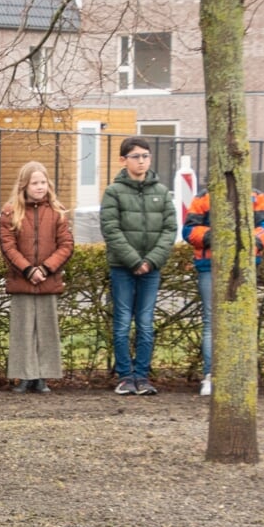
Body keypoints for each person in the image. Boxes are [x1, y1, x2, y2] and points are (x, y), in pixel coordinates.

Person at [183, 184, 264, 397]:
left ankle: (241, 376)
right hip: (210, 265)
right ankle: (211, 375)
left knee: (243, 320)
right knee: (211, 321)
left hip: (245, 265)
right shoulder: (204, 197)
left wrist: (248, 241)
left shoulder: (256, 196)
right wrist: (221, 238)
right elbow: (189, 230)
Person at [100, 137, 177, 396]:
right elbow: (111, 229)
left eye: (145, 155)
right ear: (123, 160)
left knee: (145, 322)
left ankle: (142, 376)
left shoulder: (162, 192)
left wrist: (150, 261)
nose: (141, 160)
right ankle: (125, 376)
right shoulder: (113, 192)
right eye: (136, 156)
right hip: (122, 268)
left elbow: (169, 229)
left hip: (151, 269)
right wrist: (134, 260)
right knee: (122, 322)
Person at [0, 161, 73, 394]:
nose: (40, 187)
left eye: (43, 182)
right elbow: (8, 247)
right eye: (34, 183)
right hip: (22, 280)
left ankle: (42, 376)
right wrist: (28, 269)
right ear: (24, 185)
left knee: (46, 329)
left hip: (48, 281)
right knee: (22, 329)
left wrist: (47, 269)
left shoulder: (57, 212)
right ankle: (25, 375)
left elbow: (66, 245)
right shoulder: (10, 212)